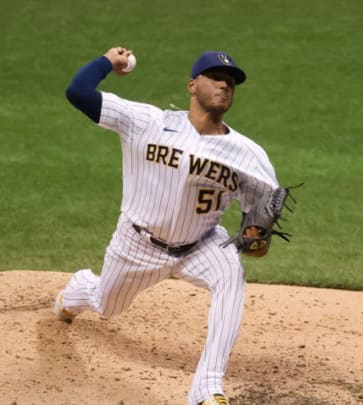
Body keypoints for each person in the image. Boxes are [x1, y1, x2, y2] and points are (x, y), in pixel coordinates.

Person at [55, 46, 280, 405]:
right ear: (192, 85)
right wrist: (106, 63)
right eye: (216, 79)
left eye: (231, 83)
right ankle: (78, 290)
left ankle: (207, 390)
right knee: (107, 305)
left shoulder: (249, 155)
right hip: (137, 245)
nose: (225, 87)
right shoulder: (147, 122)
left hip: (202, 244)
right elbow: (78, 93)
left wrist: (257, 237)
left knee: (230, 277)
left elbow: (259, 220)